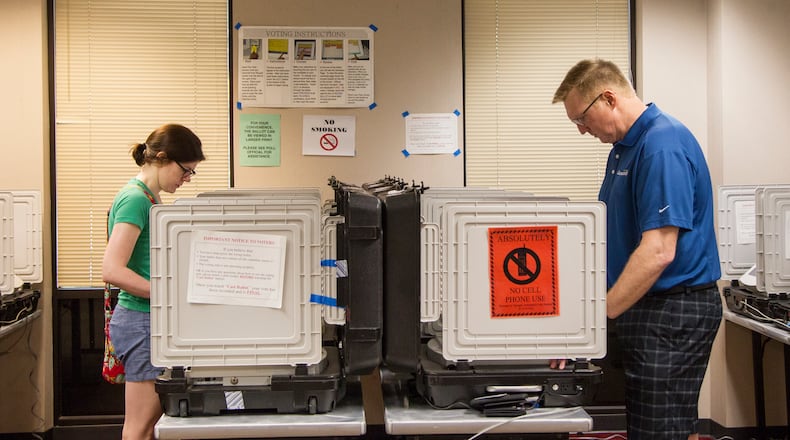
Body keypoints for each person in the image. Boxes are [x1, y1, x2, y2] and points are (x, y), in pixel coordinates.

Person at [551, 59, 722, 440]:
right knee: (648, 424)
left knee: (660, 431)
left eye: (582, 118)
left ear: (608, 98)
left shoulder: (662, 145)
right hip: (644, 306)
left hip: (672, 311)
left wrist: (594, 322)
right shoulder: (624, 147)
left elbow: (659, 251)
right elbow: (613, 236)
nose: (581, 131)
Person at [103, 124, 204, 440]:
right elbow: (112, 269)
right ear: (162, 158)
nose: (186, 179)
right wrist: (169, 294)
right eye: (185, 171)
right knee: (140, 426)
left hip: (147, 320)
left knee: (149, 426)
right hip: (140, 321)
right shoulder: (136, 200)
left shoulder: (148, 198)